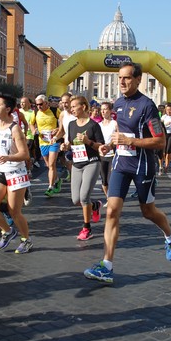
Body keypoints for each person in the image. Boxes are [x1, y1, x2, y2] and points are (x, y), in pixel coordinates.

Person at [83, 62, 171, 284]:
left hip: (142, 165)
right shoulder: (117, 103)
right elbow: (120, 131)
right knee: (112, 211)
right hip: (120, 163)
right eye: (120, 78)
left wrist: (130, 141)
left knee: (148, 211)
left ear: (138, 80)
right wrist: (110, 144)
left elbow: (160, 141)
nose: (123, 82)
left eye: (127, 78)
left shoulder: (147, 106)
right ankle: (106, 265)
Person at [0, 94, 33, 254]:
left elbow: (25, 154)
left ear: (8, 109)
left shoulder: (15, 128)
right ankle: (8, 231)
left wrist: (8, 157)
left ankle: (26, 240)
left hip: (16, 172)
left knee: (14, 211)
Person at [61, 96, 105, 240]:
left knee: (84, 197)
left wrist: (88, 141)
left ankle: (87, 228)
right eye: (71, 107)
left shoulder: (93, 125)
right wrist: (66, 146)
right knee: (75, 199)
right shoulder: (71, 124)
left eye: (74, 106)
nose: (71, 109)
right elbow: (70, 142)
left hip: (92, 162)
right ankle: (95, 206)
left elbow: (101, 146)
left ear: (84, 107)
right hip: (77, 163)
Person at [29, 94, 62, 197]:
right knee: (48, 165)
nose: (38, 106)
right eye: (36, 104)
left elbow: (62, 124)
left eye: (40, 104)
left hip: (54, 140)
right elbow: (31, 123)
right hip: (42, 141)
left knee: (52, 164)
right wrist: (33, 130)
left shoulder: (54, 110)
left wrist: (57, 130)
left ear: (46, 103)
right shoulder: (35, 112)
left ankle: (50, 187)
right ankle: (57, 180)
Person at [98, 101, 117, 205]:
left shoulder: (114, 123)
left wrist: (109, 145)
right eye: (101, 110)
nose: (103, 111)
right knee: (104, 180)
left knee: (111, 179)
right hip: (101, 155)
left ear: (110, 111)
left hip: (112, 154)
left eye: (105, 109)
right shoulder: (98, 125)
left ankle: (114, 199)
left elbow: (117, 137)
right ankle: (108, 198)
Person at [160, 104, 171, 173]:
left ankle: (167, 165)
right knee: (164, 150)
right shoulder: (163, 117)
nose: (169, 111)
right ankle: (164, 162)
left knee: (168, 150)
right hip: (165, 134)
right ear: (165, 110)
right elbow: (160, 125)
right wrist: (165, 124)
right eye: (167, 110)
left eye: (170, 110)